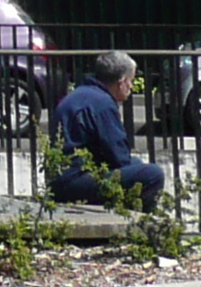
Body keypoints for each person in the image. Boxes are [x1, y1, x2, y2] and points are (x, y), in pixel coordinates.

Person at [49, 49, 165, 209]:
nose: (131, 86)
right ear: (122, 81)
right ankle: (141, 223)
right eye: (131, 81)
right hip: (75, 182)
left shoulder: (81, 94)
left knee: (137, 164)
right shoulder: (103, 104)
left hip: (63, 178)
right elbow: (119, 156)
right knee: (153, 174)